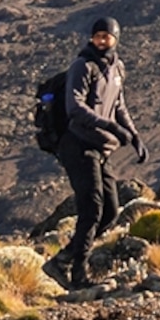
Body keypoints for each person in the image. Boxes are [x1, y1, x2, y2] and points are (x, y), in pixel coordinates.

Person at [58, 16, 139, 288]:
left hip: (100, 148)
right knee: (92, 207)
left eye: (107, 36)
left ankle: (64, 259)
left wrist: (135, 136)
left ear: (116, 38)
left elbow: (119, 106)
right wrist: (112, 129)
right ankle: (77, 274)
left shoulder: (117, 69)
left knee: (110, 212)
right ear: (92, 38)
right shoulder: (83, 66)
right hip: (78, 145)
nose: (102, 41)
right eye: (98, 36)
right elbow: (75, 107)